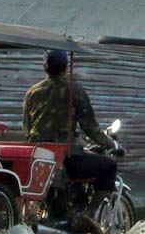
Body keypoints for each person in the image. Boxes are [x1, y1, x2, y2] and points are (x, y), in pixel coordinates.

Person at [23, 49, 118, 220]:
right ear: (65, 67)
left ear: (45, 67)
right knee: (109, 165)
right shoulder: (75, 90)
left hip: (38, 157)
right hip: (66, 158)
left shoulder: (32, 92)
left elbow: (27, 128)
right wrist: (110, 143)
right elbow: (90, 127)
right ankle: (89, 214)